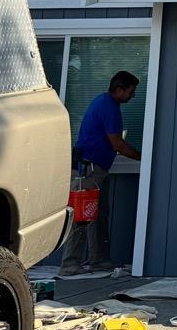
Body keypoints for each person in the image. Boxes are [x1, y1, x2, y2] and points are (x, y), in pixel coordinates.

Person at [60, 70, 141, 275]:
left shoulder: (105, 103)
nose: (133, 95)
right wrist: (145, 158)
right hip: (88, 169)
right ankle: (70, 264)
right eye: (131, 91)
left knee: (96, 215)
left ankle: (98, 260)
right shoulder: (109, 107)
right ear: (119, 89)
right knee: (82, 216)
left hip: (93, 168)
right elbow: (117, 143)